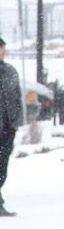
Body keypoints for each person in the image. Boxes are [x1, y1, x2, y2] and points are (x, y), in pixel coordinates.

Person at [0, 38, 22, 218]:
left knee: (2, 167)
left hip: (7, 127)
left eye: (3, 48)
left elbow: (16, 97)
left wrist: (15, 121)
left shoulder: (10, 71)